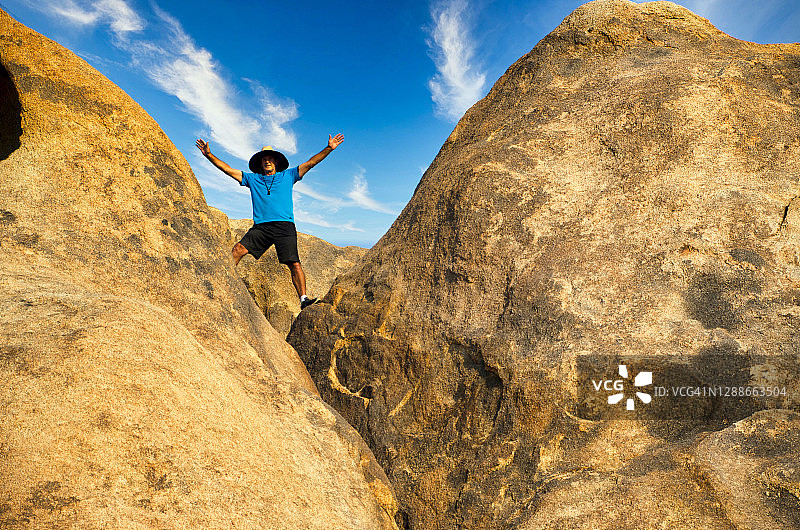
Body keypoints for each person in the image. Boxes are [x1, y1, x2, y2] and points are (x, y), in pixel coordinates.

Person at [195, 133, 345, 309]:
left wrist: (329, 148)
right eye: (264, 159)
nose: (267, 161)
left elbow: (311, 163)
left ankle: (303, 299)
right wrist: (209, 155)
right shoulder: (253, 178)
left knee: (294, 263)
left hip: (284, 225)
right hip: (261, 227)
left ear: (276, 162)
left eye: (270, 159)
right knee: (237, 250)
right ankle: (221, 283)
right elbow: (228, 170)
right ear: (260, 163)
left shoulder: (288, 176)